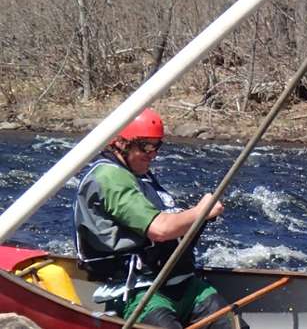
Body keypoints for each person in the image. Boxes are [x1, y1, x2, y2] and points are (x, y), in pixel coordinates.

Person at [73, 107, 237, 329]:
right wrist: (201, 211)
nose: (152, 154)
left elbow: (168, 219)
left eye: (156, 146)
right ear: (121, 143)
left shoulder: (140, 174)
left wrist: (193, 215)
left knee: (230, 323)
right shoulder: (110, 176)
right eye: (146, 146)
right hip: (140, 292)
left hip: (182, 284)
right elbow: (159, 229)